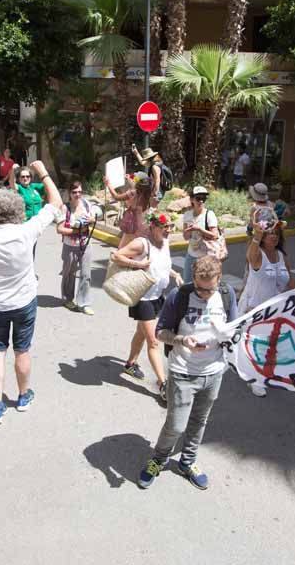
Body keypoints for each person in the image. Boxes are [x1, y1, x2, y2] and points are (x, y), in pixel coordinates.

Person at [0, 160, 62, 425]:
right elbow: (55, 202)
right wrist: (43, 171)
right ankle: (22, 396)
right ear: (18, 210)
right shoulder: (25, 231)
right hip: (24, 302)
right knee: (22, 350)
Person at [137, 255, 237, 490]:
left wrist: (228, 335)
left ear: (219, 280)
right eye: (200, 289)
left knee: (199, 420)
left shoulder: (226, 294)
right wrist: (183, 340)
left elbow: (234, 327)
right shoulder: (179, 295)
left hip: (213, 372)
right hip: (182, 371)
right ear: (193, 279)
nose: (204, 295)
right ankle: (158, 459)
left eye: (209, 290)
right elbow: (160, 333)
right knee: (176, 425)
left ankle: (187, 462)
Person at [113, 210, 176, 401]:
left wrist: (175, 275)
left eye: (171, 226)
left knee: (142, 333)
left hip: (158, 296)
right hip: (143, 298)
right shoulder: (142, 243)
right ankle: (163, 384)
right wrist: (139, 265)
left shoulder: (164, 242)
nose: (169, 230)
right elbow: (117, 256)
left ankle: (130, 363)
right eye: (166, 227)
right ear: (154, 226)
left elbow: (162, 265)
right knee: (154, 340)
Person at [238, 219, 295, 396]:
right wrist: (256, 234)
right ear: (262, 236)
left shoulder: (281, 256)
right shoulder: (257, 255)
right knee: (255, 344)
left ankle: (263, 372)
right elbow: (250, 255)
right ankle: (253, 378)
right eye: (269, 233)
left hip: (274, 309)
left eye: (276, 234)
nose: (273, 237)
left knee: (270, 344)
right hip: (254, 307)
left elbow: (290, 280)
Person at [57, 180, 99, 315]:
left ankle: (84, 302)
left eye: (80, 192)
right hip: (70, 245)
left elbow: (93, 218)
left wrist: (92, 220)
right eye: (74, 192)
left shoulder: (87, 205)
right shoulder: (65, 208)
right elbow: (60, 229)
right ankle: (67, 299)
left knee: (86, 274)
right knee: (69, 273)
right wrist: (76, 230)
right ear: (69, 193)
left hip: (85, 243)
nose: (77, 194)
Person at [180, 186, 221, 284]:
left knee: (205, 285)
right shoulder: (187, 215)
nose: (201, 201)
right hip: (191, 255)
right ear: (191, 199)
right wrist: (188, 231)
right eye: (198, 198)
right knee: (188, 284)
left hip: (206, 257)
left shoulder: (209, 215)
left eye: (204, 198)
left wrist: (199, 229)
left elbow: (215, 235)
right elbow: (185, 237)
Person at [105, 172, 156, 249]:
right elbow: (138, 188)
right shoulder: (149, 194)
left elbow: (116, 197)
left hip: (133, 226)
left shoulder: (133, 193)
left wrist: (108, 184)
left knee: (122, 250)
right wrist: (129, 179)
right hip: (144, 225)